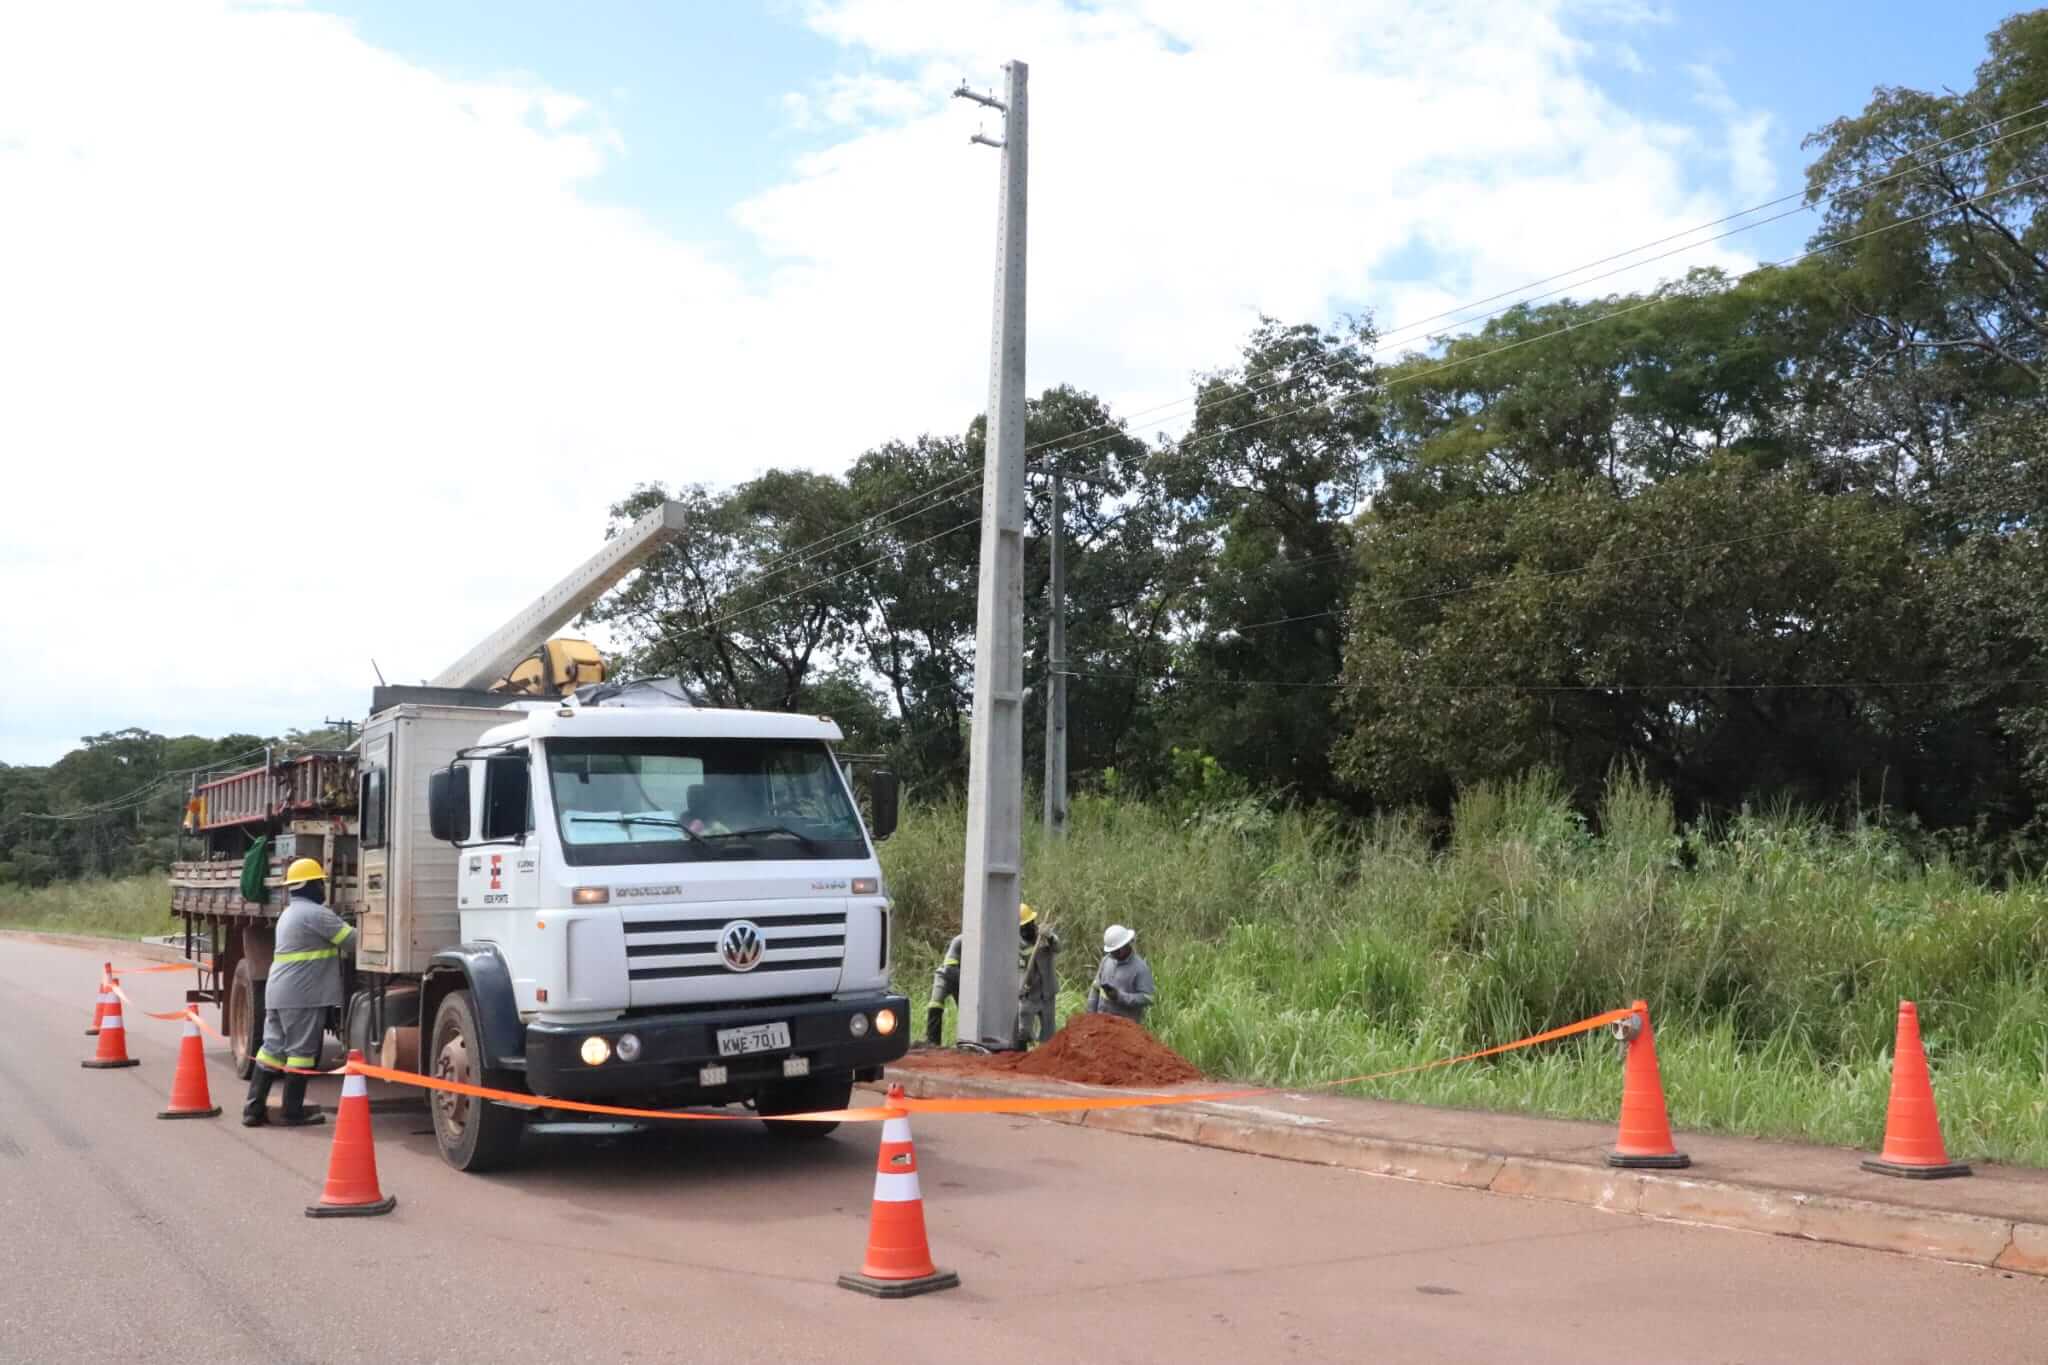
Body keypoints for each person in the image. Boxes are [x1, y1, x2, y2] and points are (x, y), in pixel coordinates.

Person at [242, 857, 354, 1127]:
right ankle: (292, 1111)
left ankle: (253, 1109)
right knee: (301, 1052)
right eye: (320, 883)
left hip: (278, 992)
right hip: (302, 995)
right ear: (310, 885)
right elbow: (352, 941)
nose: (322, 888)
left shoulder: (290, 913)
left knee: (272, 1049)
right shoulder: (316, 914)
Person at [925, 902, 1045, 1047]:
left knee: (967, 1012)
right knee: (936, 1003)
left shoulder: (989, 944)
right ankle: (932, 1042)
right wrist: (973, 984)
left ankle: (966, 1041)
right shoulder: (960, 941)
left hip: (963, 979)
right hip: (947, 975)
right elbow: (950, 969)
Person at [1086, 923, 1155, 1025]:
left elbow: (1148, 998)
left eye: (1116, 951)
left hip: (1125, 1027)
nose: (1113, 954)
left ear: (1126, 945)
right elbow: (1096, 988)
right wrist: (1090, 1015)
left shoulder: (1140, 968)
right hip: (1102, 1022)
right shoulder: (1106, 961)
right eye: (1112, 951)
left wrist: (1120, 996)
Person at [1014, 904, 1059, 1048]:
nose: (1027, 929)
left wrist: (1050, 937)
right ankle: (1022, 1056)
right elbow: (1017, 969)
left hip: (1047, 992)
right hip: (1028, 992)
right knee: (1023, 1031)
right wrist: (1020, 988)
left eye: (1029, 924)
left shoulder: (1044, 935)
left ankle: (1045, 1059)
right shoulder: (1015, 943)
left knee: (1048, 1032)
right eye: (1023, 927)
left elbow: (1058, 947)